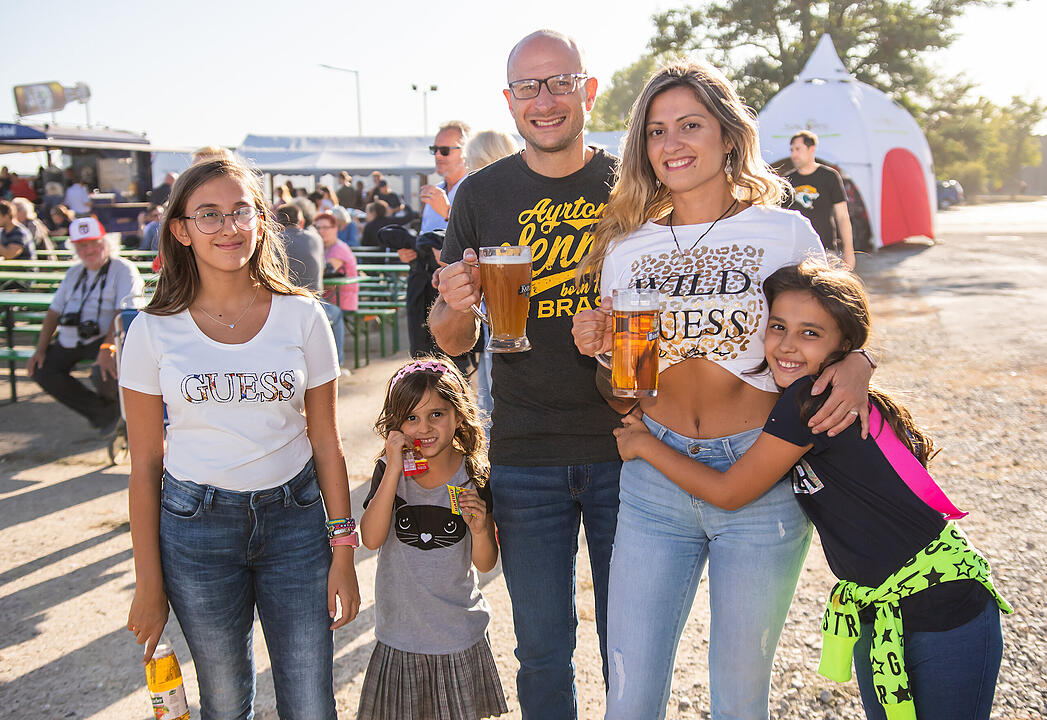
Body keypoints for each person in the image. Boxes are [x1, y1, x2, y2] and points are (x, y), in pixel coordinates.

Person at [570, 61, 874, 720]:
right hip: (654, 475)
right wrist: (597, 351)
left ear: (728, 136)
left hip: (759, 472)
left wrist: (861, 361)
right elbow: (624, 389)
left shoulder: (783, 231)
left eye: (689, 125)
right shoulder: (624, 246)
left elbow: (833, 331)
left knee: (739, 700)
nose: (672, 143)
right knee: (628, 695)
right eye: (656, 131)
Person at [614, 259, 1011, 720]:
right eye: (777, 326)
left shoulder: (808, 402)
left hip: (945, 604)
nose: (786, 345)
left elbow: (728, 493)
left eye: (810, 333)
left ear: (843, 345)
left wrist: (645, 445)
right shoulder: (813, 393)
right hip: (875, 605)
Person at [120, 157, 361, 719]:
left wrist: (343, 551)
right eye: (209, 215)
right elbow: (145, 467)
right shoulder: (151, 330)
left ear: (260, 220)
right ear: (180, 229)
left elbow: (327, 442)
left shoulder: (304, 317)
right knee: (225, 704)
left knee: (310, 702)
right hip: (195, 531)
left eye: (240, 211)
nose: (229, 228)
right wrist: (148, 584)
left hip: (297, 524)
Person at [429, 29, 621, 719]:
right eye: (528, 88)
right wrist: (457, 304)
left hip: (627, 448)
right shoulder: (480, 194)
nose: (545, 101)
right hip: (526, 453)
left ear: (587, 89)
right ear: (508, 101)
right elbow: (452, 340)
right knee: (541, 651)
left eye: (560, 82)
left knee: (628, 643)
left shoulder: (631, 185)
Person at [357, 356, 508, 719]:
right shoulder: (389, 472)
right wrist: (394, 468)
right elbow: (371, 538)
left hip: (458, 635)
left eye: (436, 415)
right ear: (396, 424)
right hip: (400, 637)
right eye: (411, 418)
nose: (423, 428)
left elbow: (485, 562)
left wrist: (480, 526)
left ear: (458, 416)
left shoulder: (473, 473)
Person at [27, 217, 143, 434]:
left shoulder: (123, 269)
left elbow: (124, 313)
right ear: (75, 249)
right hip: (71, 337)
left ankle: (122, 414)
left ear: (106, 243)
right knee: (41, 369)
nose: (89, 250)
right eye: (82, 246)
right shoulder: (73, 273)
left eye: (94, 243)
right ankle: (104, 412)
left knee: (104, 372)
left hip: (108, 337)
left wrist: (108, 348)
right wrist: (40, 350)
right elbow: (53, 312)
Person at [459, 129, 521, 425]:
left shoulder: (484, 200)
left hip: (499, 310)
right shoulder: (520, 193)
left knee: (491, 388)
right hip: (497, 309)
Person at [277, 203, 348, 372]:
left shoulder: (273, 241)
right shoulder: (315, 239)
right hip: (312, 301)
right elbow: (322, 269)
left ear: (278, 223)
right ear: (301, 221)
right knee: (336, 314)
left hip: (281, 301)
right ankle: (336, 364)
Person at [785, 130, 855, 269]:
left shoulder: (829, 176)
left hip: (825, 251)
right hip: (795, 254)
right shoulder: (787, 181)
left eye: (798, 149)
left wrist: (849, 251)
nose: (793, 154)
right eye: (792, 150)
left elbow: (842, 216)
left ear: (812, 149)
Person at [315, 211, 359, 312]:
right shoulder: (325, 248)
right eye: (318, 228)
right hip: (330, 300)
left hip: (340, 302)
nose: (321, 231)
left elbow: (325, 277)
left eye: (325, 227)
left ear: (335, 229)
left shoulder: (339, 249)